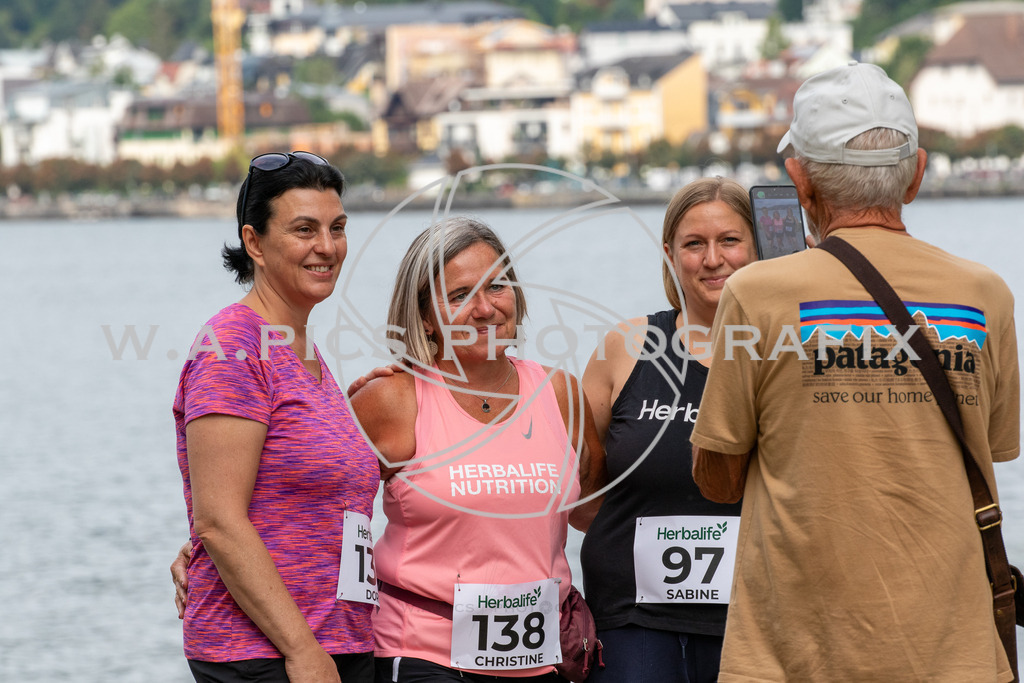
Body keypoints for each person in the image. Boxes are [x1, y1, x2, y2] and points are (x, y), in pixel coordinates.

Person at [691, 62, 1020, 681]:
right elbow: (995, 446)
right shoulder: (985, 294)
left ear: (800, 181)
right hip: (956, 655)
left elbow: (718, 477)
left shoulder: (756, 293)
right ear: (917, 174)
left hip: (792, 655)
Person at [349, 217, 605, 682]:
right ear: (425, 316)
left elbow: (596, 511)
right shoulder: (391, 399)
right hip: (423, 652)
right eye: (459, 294)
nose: (485, 309)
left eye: (497, 287)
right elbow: (318, 503)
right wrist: (205, 547)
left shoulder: (559, 392)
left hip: (539, 657)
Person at [172, 152, 380, 683]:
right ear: (255, 242)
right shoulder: (234, 348)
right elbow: (219, 521)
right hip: (266, 653)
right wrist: (302, 651)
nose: (327, 247)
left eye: (337, 228)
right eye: (304, 229)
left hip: (336, 640)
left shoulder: (303, 351)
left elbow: (267, 502)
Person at [579, 177, 756, 683]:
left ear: (758, 247)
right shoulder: (627, 345)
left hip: (750, 616)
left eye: (730, 240)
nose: (712, 259)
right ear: (670, 254)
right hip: (633, 615)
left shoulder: (789, 352)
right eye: (694, 244)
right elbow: (582, 490)